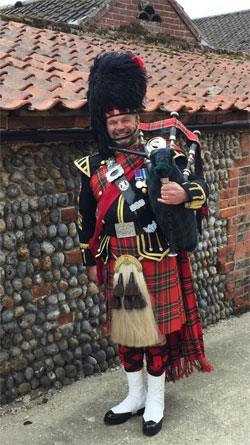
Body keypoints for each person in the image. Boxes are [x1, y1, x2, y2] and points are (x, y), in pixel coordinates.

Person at [74, 52, 213, 437]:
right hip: (120, 261)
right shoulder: (95, 168)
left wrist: (184, 195)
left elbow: (202, 190)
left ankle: (156, 400)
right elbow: (86, 222)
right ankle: (134, 396)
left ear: (137, 118)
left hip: (157, 256)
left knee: (155, 335)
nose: (119, 127)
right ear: (105, 123)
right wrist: (90, 260)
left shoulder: (164, 153)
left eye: (125, 119)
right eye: (112, 121)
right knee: (128, 333)